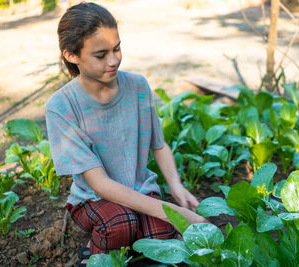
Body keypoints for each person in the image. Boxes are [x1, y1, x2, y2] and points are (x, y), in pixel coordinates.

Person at [45, 2, 206, 266]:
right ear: (72, 55)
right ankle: (95, 255)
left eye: (117, 48)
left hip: (138, 188)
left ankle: (123, 243)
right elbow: (101, 185)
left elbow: (160, 144)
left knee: (163, 236)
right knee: (121, 225)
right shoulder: (62, 107)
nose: (114, 60)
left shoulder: (138, 86)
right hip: (92, 199)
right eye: (100, 55)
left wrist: (176, 187)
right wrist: (175, 213)